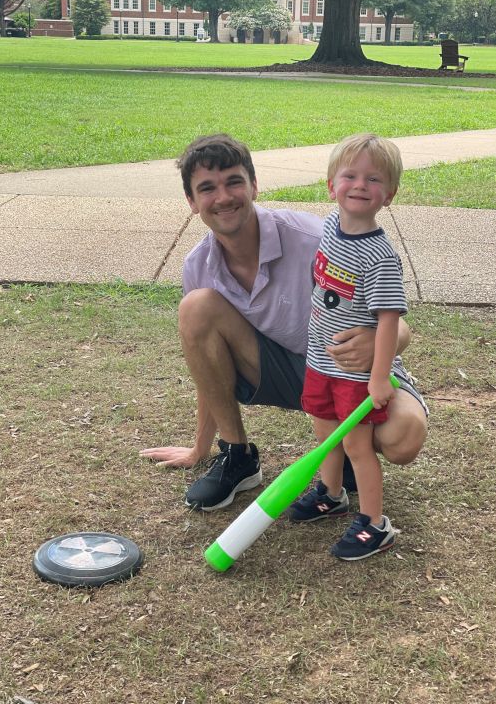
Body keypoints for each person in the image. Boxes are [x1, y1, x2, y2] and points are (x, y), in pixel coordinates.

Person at [140, 134, 428, 513]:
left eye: (234, 182)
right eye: (207, 188)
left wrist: (375, 340)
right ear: (192, 203)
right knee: (196, 308)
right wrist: (200, 448)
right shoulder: (199, 265)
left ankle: (344, 456)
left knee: (403, 439)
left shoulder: (315, 239)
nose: (223, 197)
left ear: (255, 185)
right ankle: (237, 458)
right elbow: (207, 363)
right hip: (288, 372)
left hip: (349, 371)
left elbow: (399, 328)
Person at [287, 133, 418, 561]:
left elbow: (388, 320)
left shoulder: (379, 256)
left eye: (374, 179)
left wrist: (379, 376)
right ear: (331, 185)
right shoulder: (329, 225)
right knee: (325, 436)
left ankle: (375, 524)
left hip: (355, 375)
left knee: (358, 446)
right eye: (350, 175)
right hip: (321, 360)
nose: (360, 185)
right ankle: (330, 493)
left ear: (390, 194)